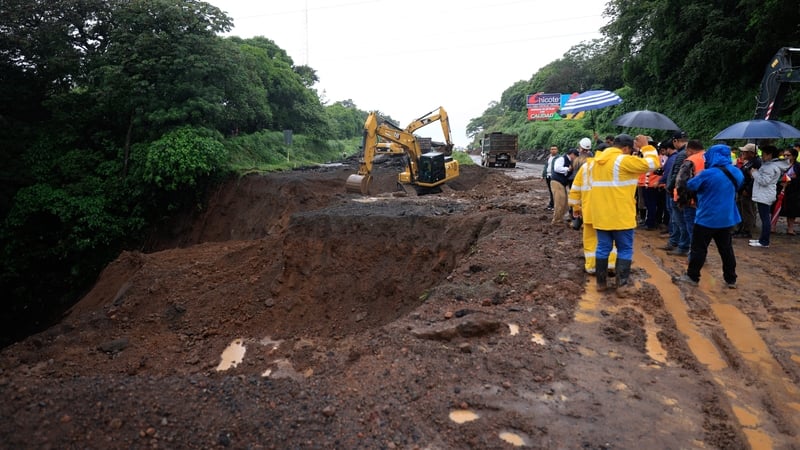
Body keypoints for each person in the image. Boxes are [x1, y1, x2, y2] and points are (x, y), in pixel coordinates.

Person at [590, 134, 660, 290]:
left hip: (601, 215)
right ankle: (621, 286)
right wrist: (646, 146)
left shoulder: (597, 162)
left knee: (602, 247)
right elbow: (653, 163)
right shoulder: (623, 160)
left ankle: (600, 283)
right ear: (626, 148)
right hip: (621, 215)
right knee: (625, 248)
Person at [673, 144, 743, 288]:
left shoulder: (707, 173)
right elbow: (740, 185)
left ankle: (692, 277)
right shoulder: (736, 172)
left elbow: (690, 186)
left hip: (707, 217)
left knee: (699, 248)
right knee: (726, 249)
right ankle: (731, 279)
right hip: (727, 218)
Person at [569, 150, 618, 275]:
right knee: (609, 240)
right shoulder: (612, 168)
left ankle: (591, 267)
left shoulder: (585, 169)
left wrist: (576, 208)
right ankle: (611, 264)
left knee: (590, 241)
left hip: (589, 212)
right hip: (607, 212)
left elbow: (574, 191)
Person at [669, 140, 706, 256]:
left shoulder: (691, 160)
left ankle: (692, 253)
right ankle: (695, 251)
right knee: (699, 229)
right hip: (703, 200)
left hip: (689, 201)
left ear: (690, 150)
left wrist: (681, 200)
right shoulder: (708, 158)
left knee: (688, 227)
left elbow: (681, 182)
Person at [749, 145, 790, 248]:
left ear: (769, 155)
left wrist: (755, 173)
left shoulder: (770, 167)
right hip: (765, 193)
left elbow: (764, 181)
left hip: (764, 194)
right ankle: (762, 239)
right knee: (764, 218)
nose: (762, 156)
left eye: (763, 154)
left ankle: (764, 241)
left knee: (765, 218)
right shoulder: (770, 165)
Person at [660, 131, 689, 252]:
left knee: (679, 220)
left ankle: (680, 245)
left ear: (675, 141)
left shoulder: (682, 154)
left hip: (677, 191)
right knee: (677, 219)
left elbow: (677, 173)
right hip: (680, 190)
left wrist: (669, 186)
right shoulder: (684, 153)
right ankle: (676, 242)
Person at [733, 143, 761, 238]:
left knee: (747, 210)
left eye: (745, 151)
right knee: (741, 209)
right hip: (742, 189)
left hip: (747, 191)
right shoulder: (749, 161)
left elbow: (754, 179)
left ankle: (747, 230)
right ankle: (740, 228)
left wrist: (748, 190)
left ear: (751, 153)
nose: (742, 153)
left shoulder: (756, 162)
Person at [550, 148, 578, 226]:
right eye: (575, 156)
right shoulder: (562, 159)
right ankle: (556, 220)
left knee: (565, 202)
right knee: (559, 201)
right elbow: (557, 168)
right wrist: (567, 169)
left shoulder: (569, 161)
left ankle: (560, 218)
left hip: (562, 183)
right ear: (572, 154)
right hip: (557, 181)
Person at [778, 147, 800, 235]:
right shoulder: (780, 164)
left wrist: (791, 181)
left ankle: (790, 228)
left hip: (793, 191)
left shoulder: (798, 166)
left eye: (788, 155)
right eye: (784, 155)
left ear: (794, 156)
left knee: (792, 210)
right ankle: (773, 226)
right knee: (776, 207)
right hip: (780, 189)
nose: (786, 157)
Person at [543, 146, 559, 210]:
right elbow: (546, 166)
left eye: (555, 149)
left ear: (557, 150)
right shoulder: (549, 157)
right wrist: (543, 175)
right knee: (550, 191)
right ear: (550, 150)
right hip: (548, 176)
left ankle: (554, 205)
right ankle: (551, 205)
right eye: (552, 149)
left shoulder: (558, 158)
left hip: (554, 176)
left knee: (554, 191)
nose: (553, 150)